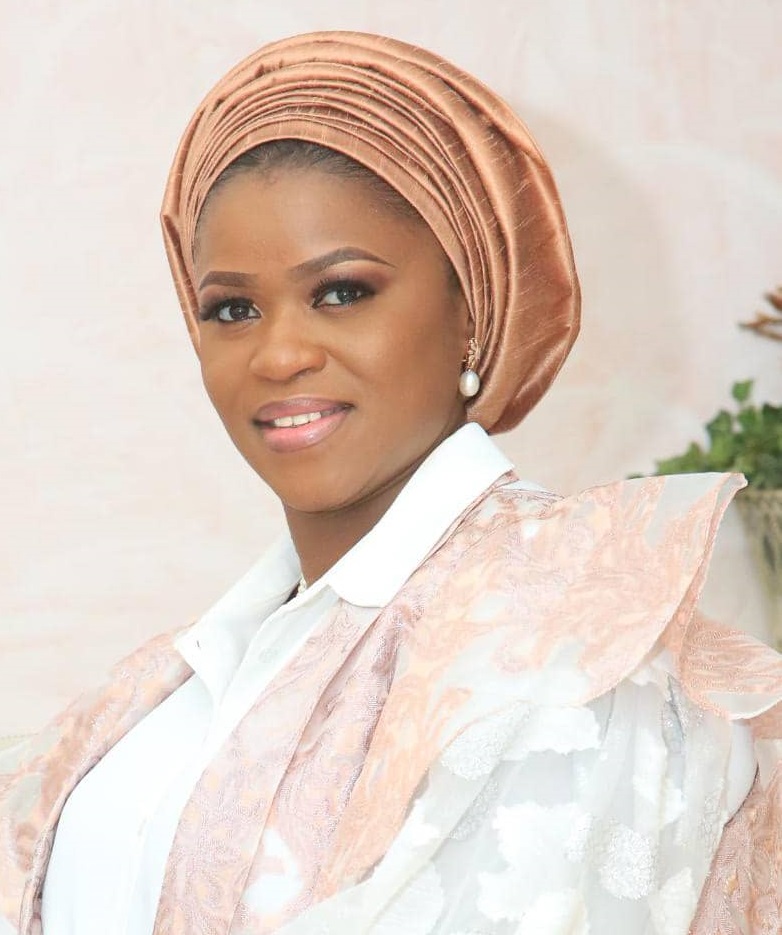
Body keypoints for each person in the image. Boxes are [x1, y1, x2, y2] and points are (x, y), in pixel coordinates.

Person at [1, 30, 781, 935]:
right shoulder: (178, 680)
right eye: (232, 308)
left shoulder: (572, 651)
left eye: (341, 292)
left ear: (470, 309)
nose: (279, 354)